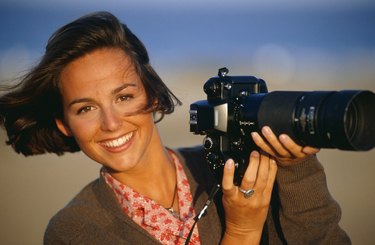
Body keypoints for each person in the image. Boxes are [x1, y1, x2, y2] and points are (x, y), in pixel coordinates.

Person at [0, 11, 351, 244]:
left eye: (123, 97)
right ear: (65, 124)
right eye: (86, 108)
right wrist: (242, 231)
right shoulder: (75, 231)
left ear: (152, 95)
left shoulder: (239, 171)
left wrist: (298, 172)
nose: (110, 123)